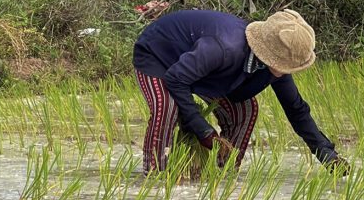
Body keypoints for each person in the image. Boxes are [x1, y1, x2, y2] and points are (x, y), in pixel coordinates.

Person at [132, 9, 348, 173]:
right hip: (159, 56)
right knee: (166, 107)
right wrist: (202, 129)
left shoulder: (275, 68)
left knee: (246, 110)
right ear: (269, 54)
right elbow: (176, 79)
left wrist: (326, 153)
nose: (286, 71)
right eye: (284, 65)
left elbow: (296, 109)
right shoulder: (223, 48)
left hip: (205, 71)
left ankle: (220, 172)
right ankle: (155, 175)